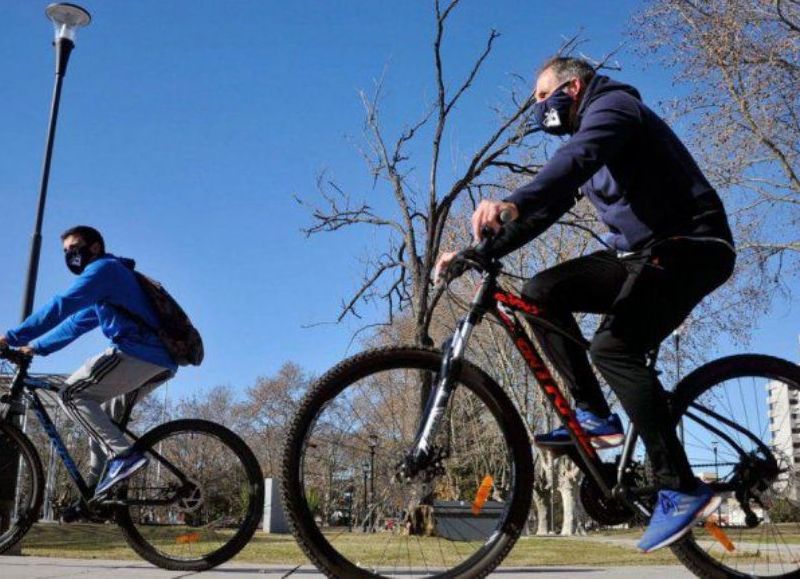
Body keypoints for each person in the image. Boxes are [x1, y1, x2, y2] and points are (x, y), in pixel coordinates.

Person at [436, 56, 735, 552]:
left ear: (572, 87)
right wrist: (478, 252)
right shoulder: (589, 141)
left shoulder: (615, 106)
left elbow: (580, 156)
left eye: (540, 98)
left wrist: (513, 199)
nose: (537, 110)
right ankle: (595, 416)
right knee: (541, 292)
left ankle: (680, 486)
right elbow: (549, 206)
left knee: (613, 348)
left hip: (691, 245)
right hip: (642, 254)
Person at [0, 226, 177, 519]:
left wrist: (11, 338)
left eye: (75, 248)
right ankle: (96, 494)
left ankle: (124, 456)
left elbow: (61, 306)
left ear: (94, 247)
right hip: (156, 359)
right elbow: (76, 323)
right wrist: (35, 348)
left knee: (70, 394)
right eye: (65, 252)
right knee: (99, 417)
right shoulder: (109, 283)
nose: (70, 255)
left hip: (139, 352)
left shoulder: (103, 270)